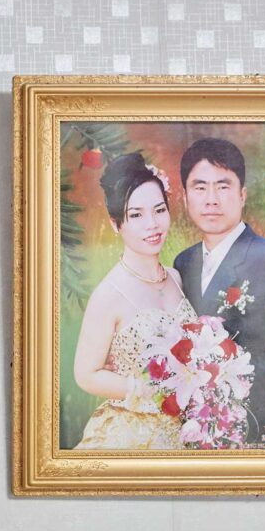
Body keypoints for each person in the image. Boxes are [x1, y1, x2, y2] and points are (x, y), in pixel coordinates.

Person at [173, 138, 265, 447]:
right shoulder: (182, 263)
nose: (211, 199)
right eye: (200, 188)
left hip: (255, 426)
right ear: (185, 197)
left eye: (223, 186)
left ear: (242, 194)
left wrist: (221, 384)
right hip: (189, 428)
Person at [73, 153, 196, 449]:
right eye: (136, 215)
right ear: (116, 224)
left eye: (159, 210)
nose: (152, 225)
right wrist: (147, 390)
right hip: (132, 435)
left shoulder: (176, 277)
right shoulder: (108, 295)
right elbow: (86, 374)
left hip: (184, 433)